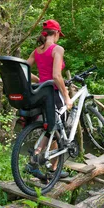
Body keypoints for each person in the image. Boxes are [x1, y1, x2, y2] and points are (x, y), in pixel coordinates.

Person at [25, 19, 71, 179]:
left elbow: (23, 69)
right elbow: (56, 76)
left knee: (51, 128)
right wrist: (67, 97)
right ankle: (39, 163)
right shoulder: (57, 49)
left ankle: (50, 166)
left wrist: (36, 79)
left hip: (40, 93)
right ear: (57, 33)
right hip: (53, 93)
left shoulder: (37, 51)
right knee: (59, 128)